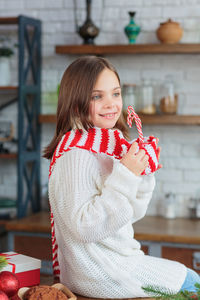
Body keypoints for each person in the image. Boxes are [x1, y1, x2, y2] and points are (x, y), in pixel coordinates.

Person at [44, 56, 199, 298]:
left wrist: (142, 174)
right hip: (99, 271)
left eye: (115, 94)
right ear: (75, 105)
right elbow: (84, 228)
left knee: (190, 280)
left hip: (115, 262)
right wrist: (126, 174)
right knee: (192, 283)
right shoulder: (76, 154)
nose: (111, 104)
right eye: (97, 96)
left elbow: (129, 214)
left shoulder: (104, 147)